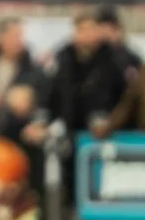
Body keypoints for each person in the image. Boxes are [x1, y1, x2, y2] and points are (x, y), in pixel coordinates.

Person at [43, 8, 132, 143]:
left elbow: (125, 99)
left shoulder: (115, 60)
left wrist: (111, 122)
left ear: (98, 31)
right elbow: (51, 93)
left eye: (89, 29)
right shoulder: (63, 59)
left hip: (103, 135)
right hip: (69, 133)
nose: (84, 35)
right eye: (80, 29)